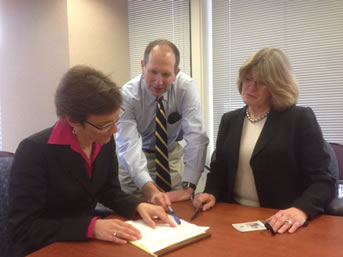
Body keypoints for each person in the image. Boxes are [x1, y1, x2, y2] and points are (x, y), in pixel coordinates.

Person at [8, 65, 175, 257]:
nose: (114, 131)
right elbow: (24, 228)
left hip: (86, 245)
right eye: (104, 125)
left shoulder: (103, 139)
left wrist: (137, 205)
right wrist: (91, 227)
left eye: (116, 120)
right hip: (47, 248)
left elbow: (109, 190)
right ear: (72, 120)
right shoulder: (34, 151)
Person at [193, 48, 336, 234]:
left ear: (277, 86)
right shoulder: (229, 120)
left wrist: (301, 210)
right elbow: (219, 169)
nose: (250, 87)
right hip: (231, 215)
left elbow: (324, 181)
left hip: (280, 220)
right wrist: (211, 192)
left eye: (261, 83)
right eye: (247, 79)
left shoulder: (299, 119)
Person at [116, 39, 209, 208]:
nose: (158, 82)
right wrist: (150, 190)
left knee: (177, 208)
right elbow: (128, 146)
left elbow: (196, 137)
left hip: (170, 153)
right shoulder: (128, 95)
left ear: (176, 72)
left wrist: (189, 188)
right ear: (143, 66)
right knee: (137, 210)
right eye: (153, 72)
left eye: (166, 74)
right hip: (137, 154)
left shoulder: (185, 87)